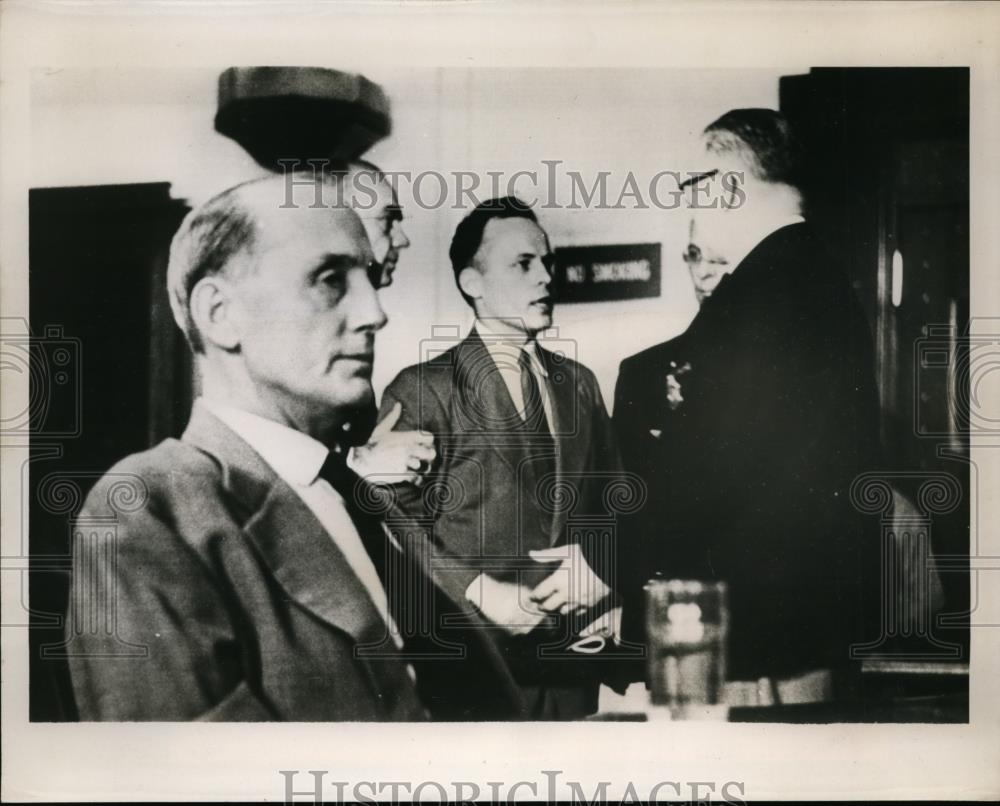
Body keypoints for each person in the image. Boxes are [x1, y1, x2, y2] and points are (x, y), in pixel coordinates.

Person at [66, 173, 523, 720]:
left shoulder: (357, 497)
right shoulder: (145, 509)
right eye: (330, 279)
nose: (375, 313)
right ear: (220, 314)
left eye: (371, 279)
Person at [614, 109, 882, 704]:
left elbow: (706, 473)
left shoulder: (755, 298)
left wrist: (602, 567)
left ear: (725, 186)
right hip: (801, 634)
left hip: (754, 646)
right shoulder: (816, 275)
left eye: (692, 187)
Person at [378, 197, 627, 719]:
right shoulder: (424, 388)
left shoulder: (578, 384)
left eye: (548, 263)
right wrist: (477, 591)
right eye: (524, 264)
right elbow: (393, 523)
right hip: (472, 664)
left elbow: (614, 503)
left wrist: (609, 583)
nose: (545, 278)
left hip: (571, 665)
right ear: (473, 283)